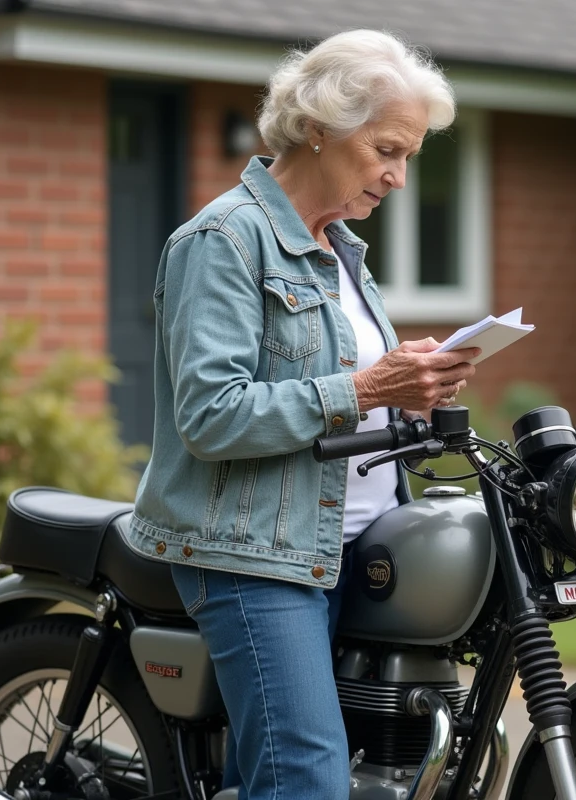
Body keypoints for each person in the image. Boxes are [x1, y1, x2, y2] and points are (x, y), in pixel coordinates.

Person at [124, 29, 478, 800]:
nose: (401, 177)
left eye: (411, 155)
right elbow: (212, 417)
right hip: (253, 554)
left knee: (284, 773)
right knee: (309, 779)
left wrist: (417, 391)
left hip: (353, 543)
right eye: (389, 149)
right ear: (320, 125)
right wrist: (370, 387)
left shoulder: (339, 248)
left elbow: (348, 393)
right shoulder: (223, 240)